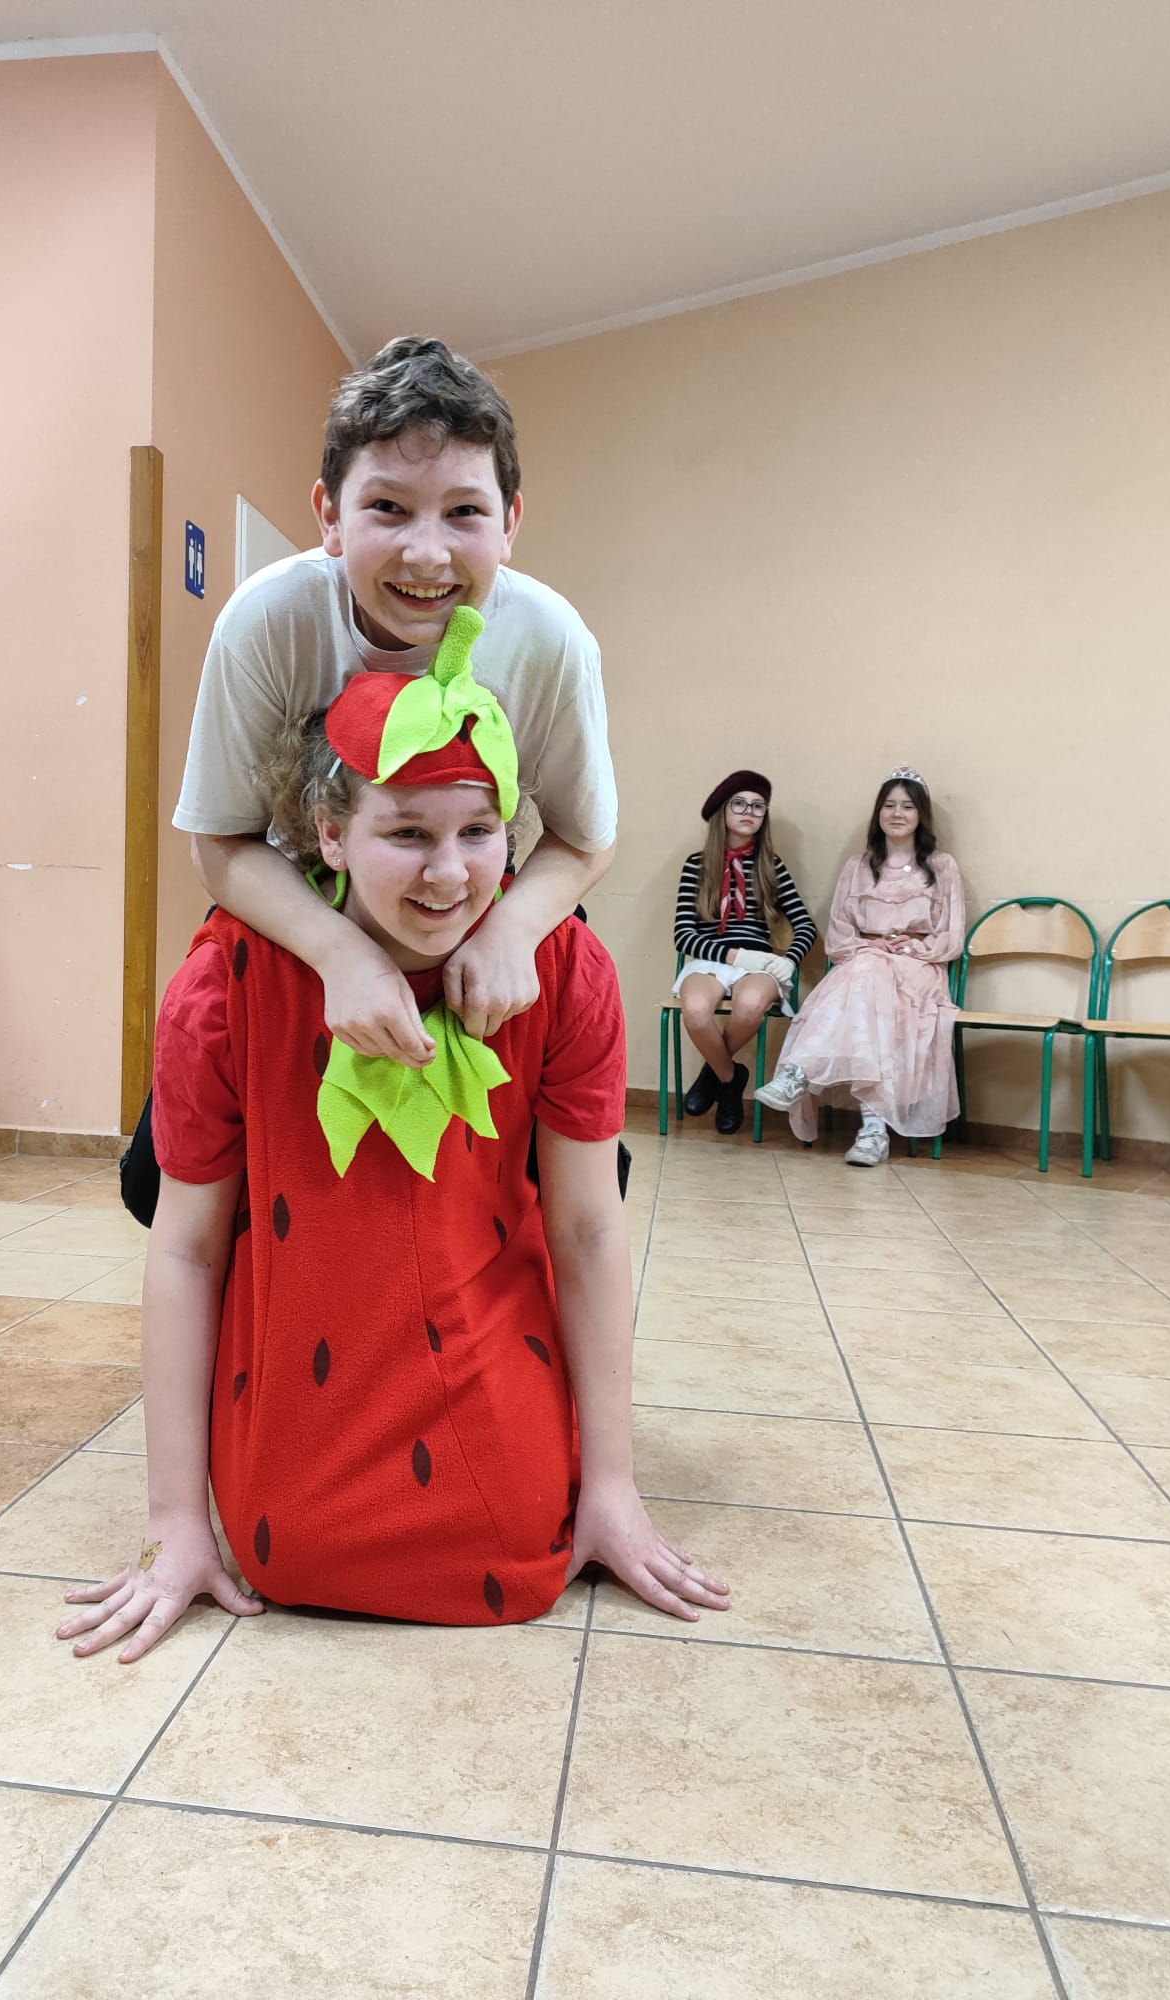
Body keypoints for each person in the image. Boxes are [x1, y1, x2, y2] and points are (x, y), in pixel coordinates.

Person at [59, 615, 728, 1659]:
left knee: (516, 1533)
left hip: (491, 1402)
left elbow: (589, 1231)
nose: (450, 874)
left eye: (479, 831)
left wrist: (612, 1487)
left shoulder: (568, 972)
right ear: (329, 834)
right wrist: (175, 1521)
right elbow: (186, 1250)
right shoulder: (225, 982)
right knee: (296, 1541)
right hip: (295, 1467)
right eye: (407, 834)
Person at [174, 335, 617, 1070]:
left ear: (509, 524)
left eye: (464, 511)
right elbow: (220, 839)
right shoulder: (267, 620)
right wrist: (339, 952)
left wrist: (512, 930)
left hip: (473, 904)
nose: (427, 555)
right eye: (388, 507)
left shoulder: (551, 639)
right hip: (300, 910)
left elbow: (586, 836)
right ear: (330, 515)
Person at [755, 768, 964, 1167]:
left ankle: (800, 1071)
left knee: (863, 977)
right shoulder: (858, 866)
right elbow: (838, 937)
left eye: (907, 806)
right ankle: (872, 1131)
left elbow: (951, 936)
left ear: (921, 814)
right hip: (864, 963)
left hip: (917, 968)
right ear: (877, 813)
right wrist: (871, 947)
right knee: (865, 978)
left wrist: (914, 946)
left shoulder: (942, 867)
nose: (897, 814)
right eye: (889, 805)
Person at [672, 771, 817, 1133]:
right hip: (713, 960)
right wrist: (736, 957)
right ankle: (730, 1078)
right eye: (739, 804)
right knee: (695, 1011)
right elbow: (683, 936)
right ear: (722, 810)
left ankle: (713, 1074)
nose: (748, 812)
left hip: (760, 964)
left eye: (758, 806)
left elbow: (806, 925)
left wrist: (788, 960)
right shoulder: (697, 865)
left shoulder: (772, 867)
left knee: (751, 1004)